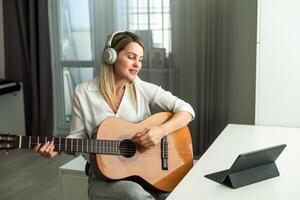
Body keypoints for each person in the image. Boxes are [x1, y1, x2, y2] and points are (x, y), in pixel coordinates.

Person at [33, 31, 195, 200]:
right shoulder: (84, 93)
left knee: (179, 193)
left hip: (148, 175)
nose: (137, 64)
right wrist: (58, 149)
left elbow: (187, 110)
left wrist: (160, 131)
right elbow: (77, 137)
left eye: (140, 59)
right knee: (134, 194)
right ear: (111, 56)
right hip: (104, 180)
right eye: (131, 57)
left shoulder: (142, 89)